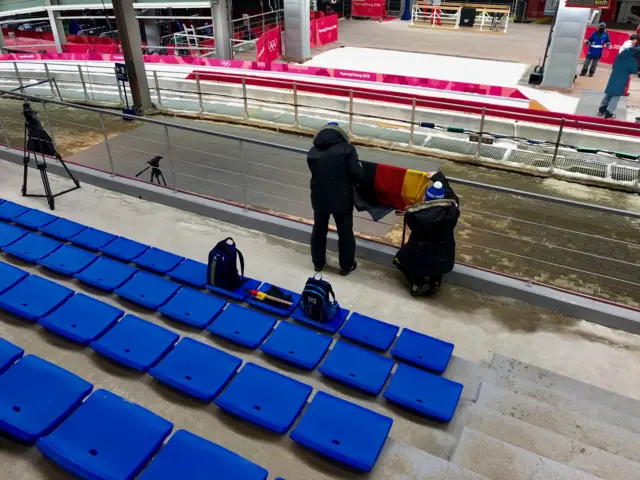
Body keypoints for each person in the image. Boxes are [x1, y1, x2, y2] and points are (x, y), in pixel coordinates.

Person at [307, 122, 363, 276]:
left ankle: (318, 264)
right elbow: (356, 172)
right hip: (342, 200)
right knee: (345, 235)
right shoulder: (347, 150)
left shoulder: (312, 151)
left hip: (319, 199)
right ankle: (346, 266)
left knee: (319, 231)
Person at [393, 173, 459, 297]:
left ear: (426, 198)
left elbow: (410, 212)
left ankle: (418, 283)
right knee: (436, 260)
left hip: (419, 254)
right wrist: (438, 177)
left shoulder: (414, 215)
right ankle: (435, 282)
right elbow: (452, 196)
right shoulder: (453, 212)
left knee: (399, 259)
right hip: (444, 256)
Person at [599, 34, 640, 119]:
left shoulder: (620, 55)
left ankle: (601, 109)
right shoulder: (631, 59)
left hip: (614, 76)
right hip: (622, 78)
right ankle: (609, 113)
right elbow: (634, 70)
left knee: (609, 93)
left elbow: (613, 66)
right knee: (616, 96)